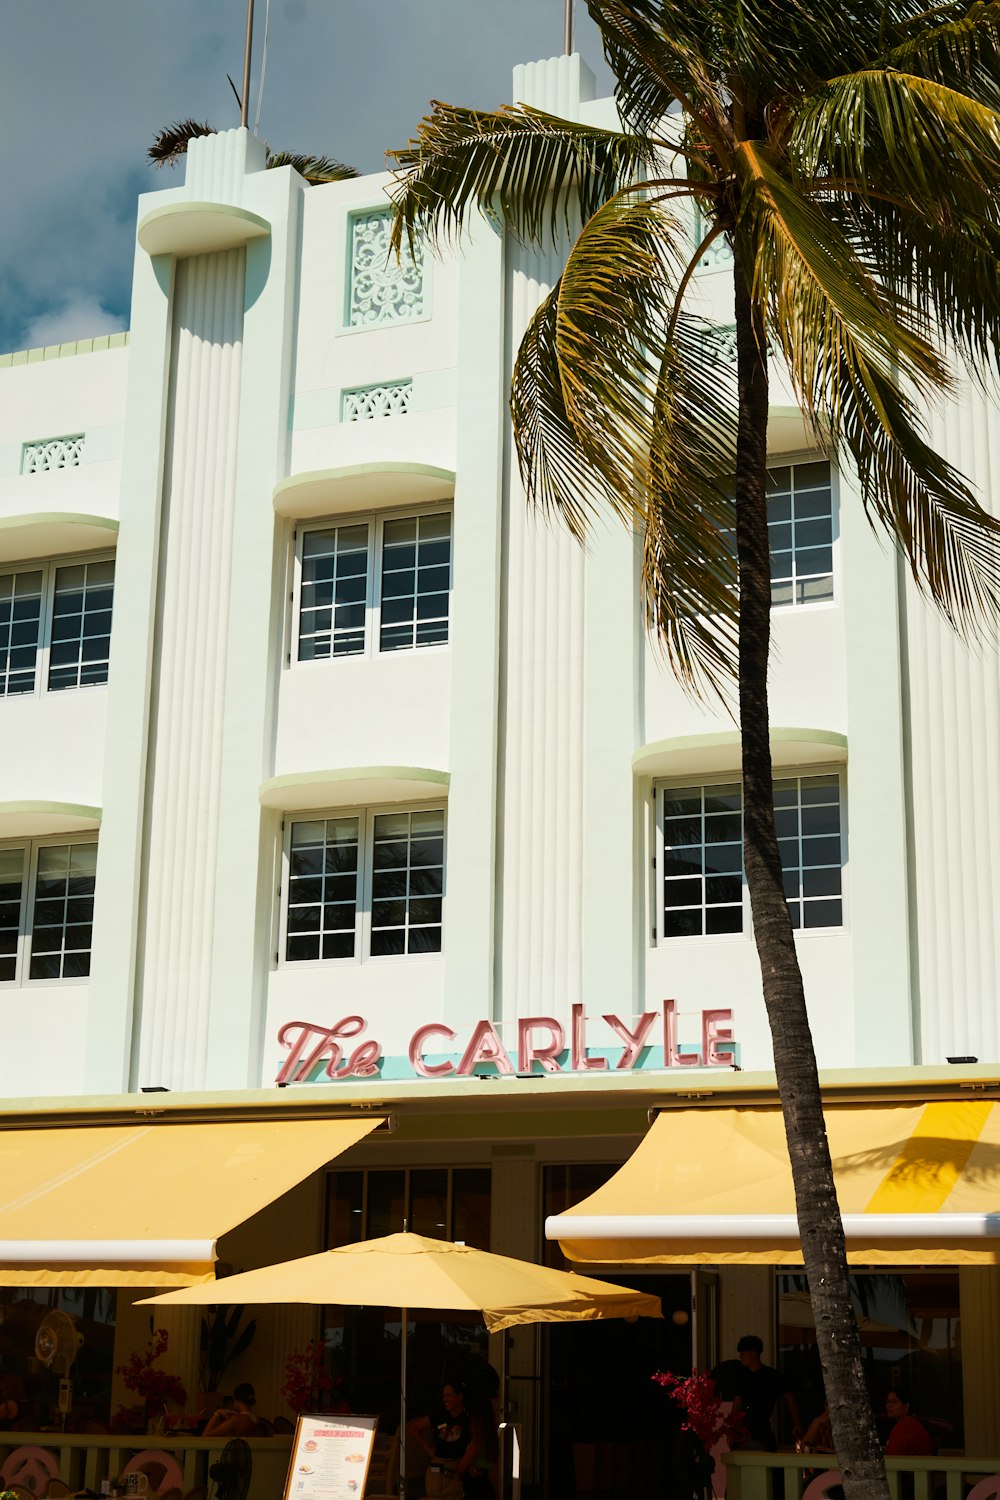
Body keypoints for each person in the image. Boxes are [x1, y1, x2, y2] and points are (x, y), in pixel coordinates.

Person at [408, 1381, 497, 1500]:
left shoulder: (470, 1428)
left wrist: (465, 1466)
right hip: (439, 1470)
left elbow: (463, 1465)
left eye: (448, 1395)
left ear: (460, 1396)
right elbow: (414, 1428)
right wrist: (428, 1447)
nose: (445, 1399)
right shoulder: (440, 1416)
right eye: (443, 1396)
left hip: (461, 1478)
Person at [715, 1335, 802, 1452]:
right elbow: (737, 1404)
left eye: (743, 1353)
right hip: (743, 1434)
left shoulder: (771, 1376)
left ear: (753, 1354)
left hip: (761, 1433)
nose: (740, 1356)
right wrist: (732, 1431)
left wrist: (797, 1425)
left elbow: (790, 1396)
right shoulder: (742, 1376)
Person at [884, 1388, 934, 1456]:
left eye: (894, 1402)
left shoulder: (904, 1427)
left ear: (906, 1407)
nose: (889, 1406)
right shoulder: (912, 1423)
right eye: (888, 1401)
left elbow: (893, 1459)